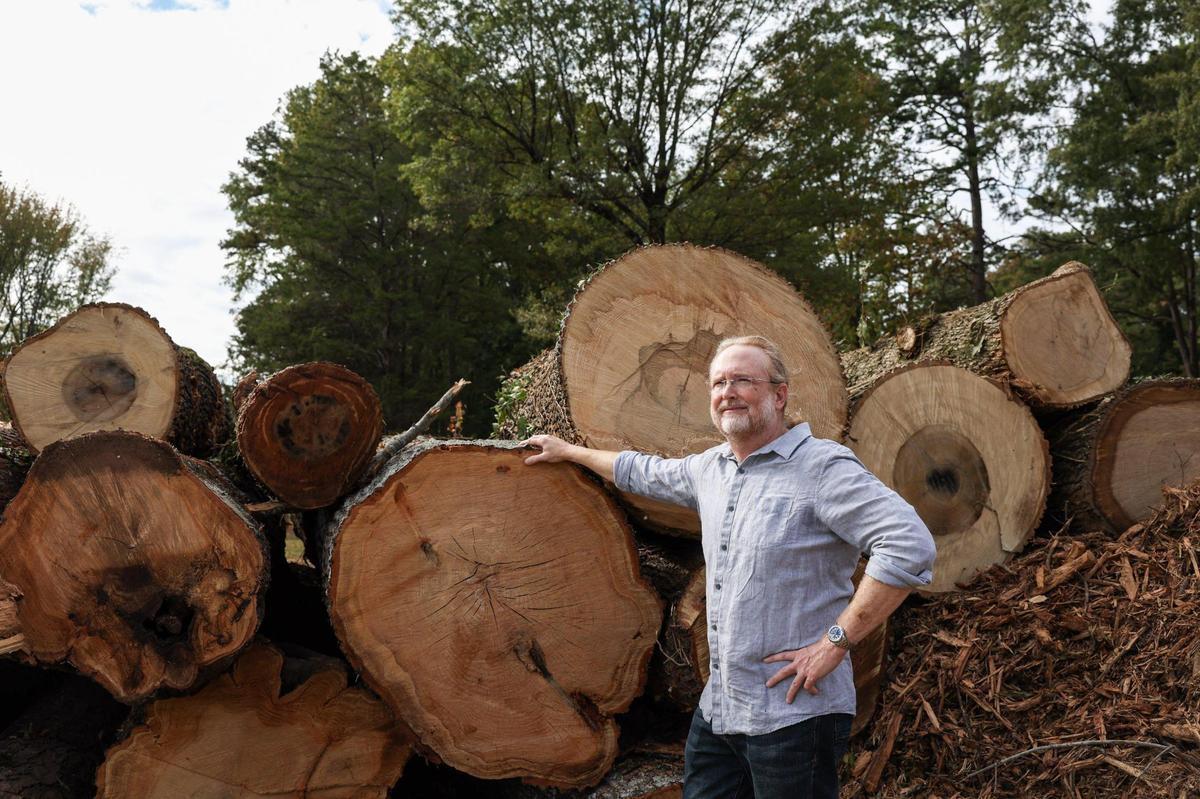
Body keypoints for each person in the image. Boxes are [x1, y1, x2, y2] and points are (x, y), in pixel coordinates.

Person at [522, 335, 936, 799]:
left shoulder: (822, 468)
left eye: (743, 380)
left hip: (794, 714)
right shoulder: (712, 469)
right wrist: (571, 452)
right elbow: (641, 471)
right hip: (721, 708)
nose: (728, 392)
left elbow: (909, 545)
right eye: (719, 383)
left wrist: (835, 642)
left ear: (779, 395)